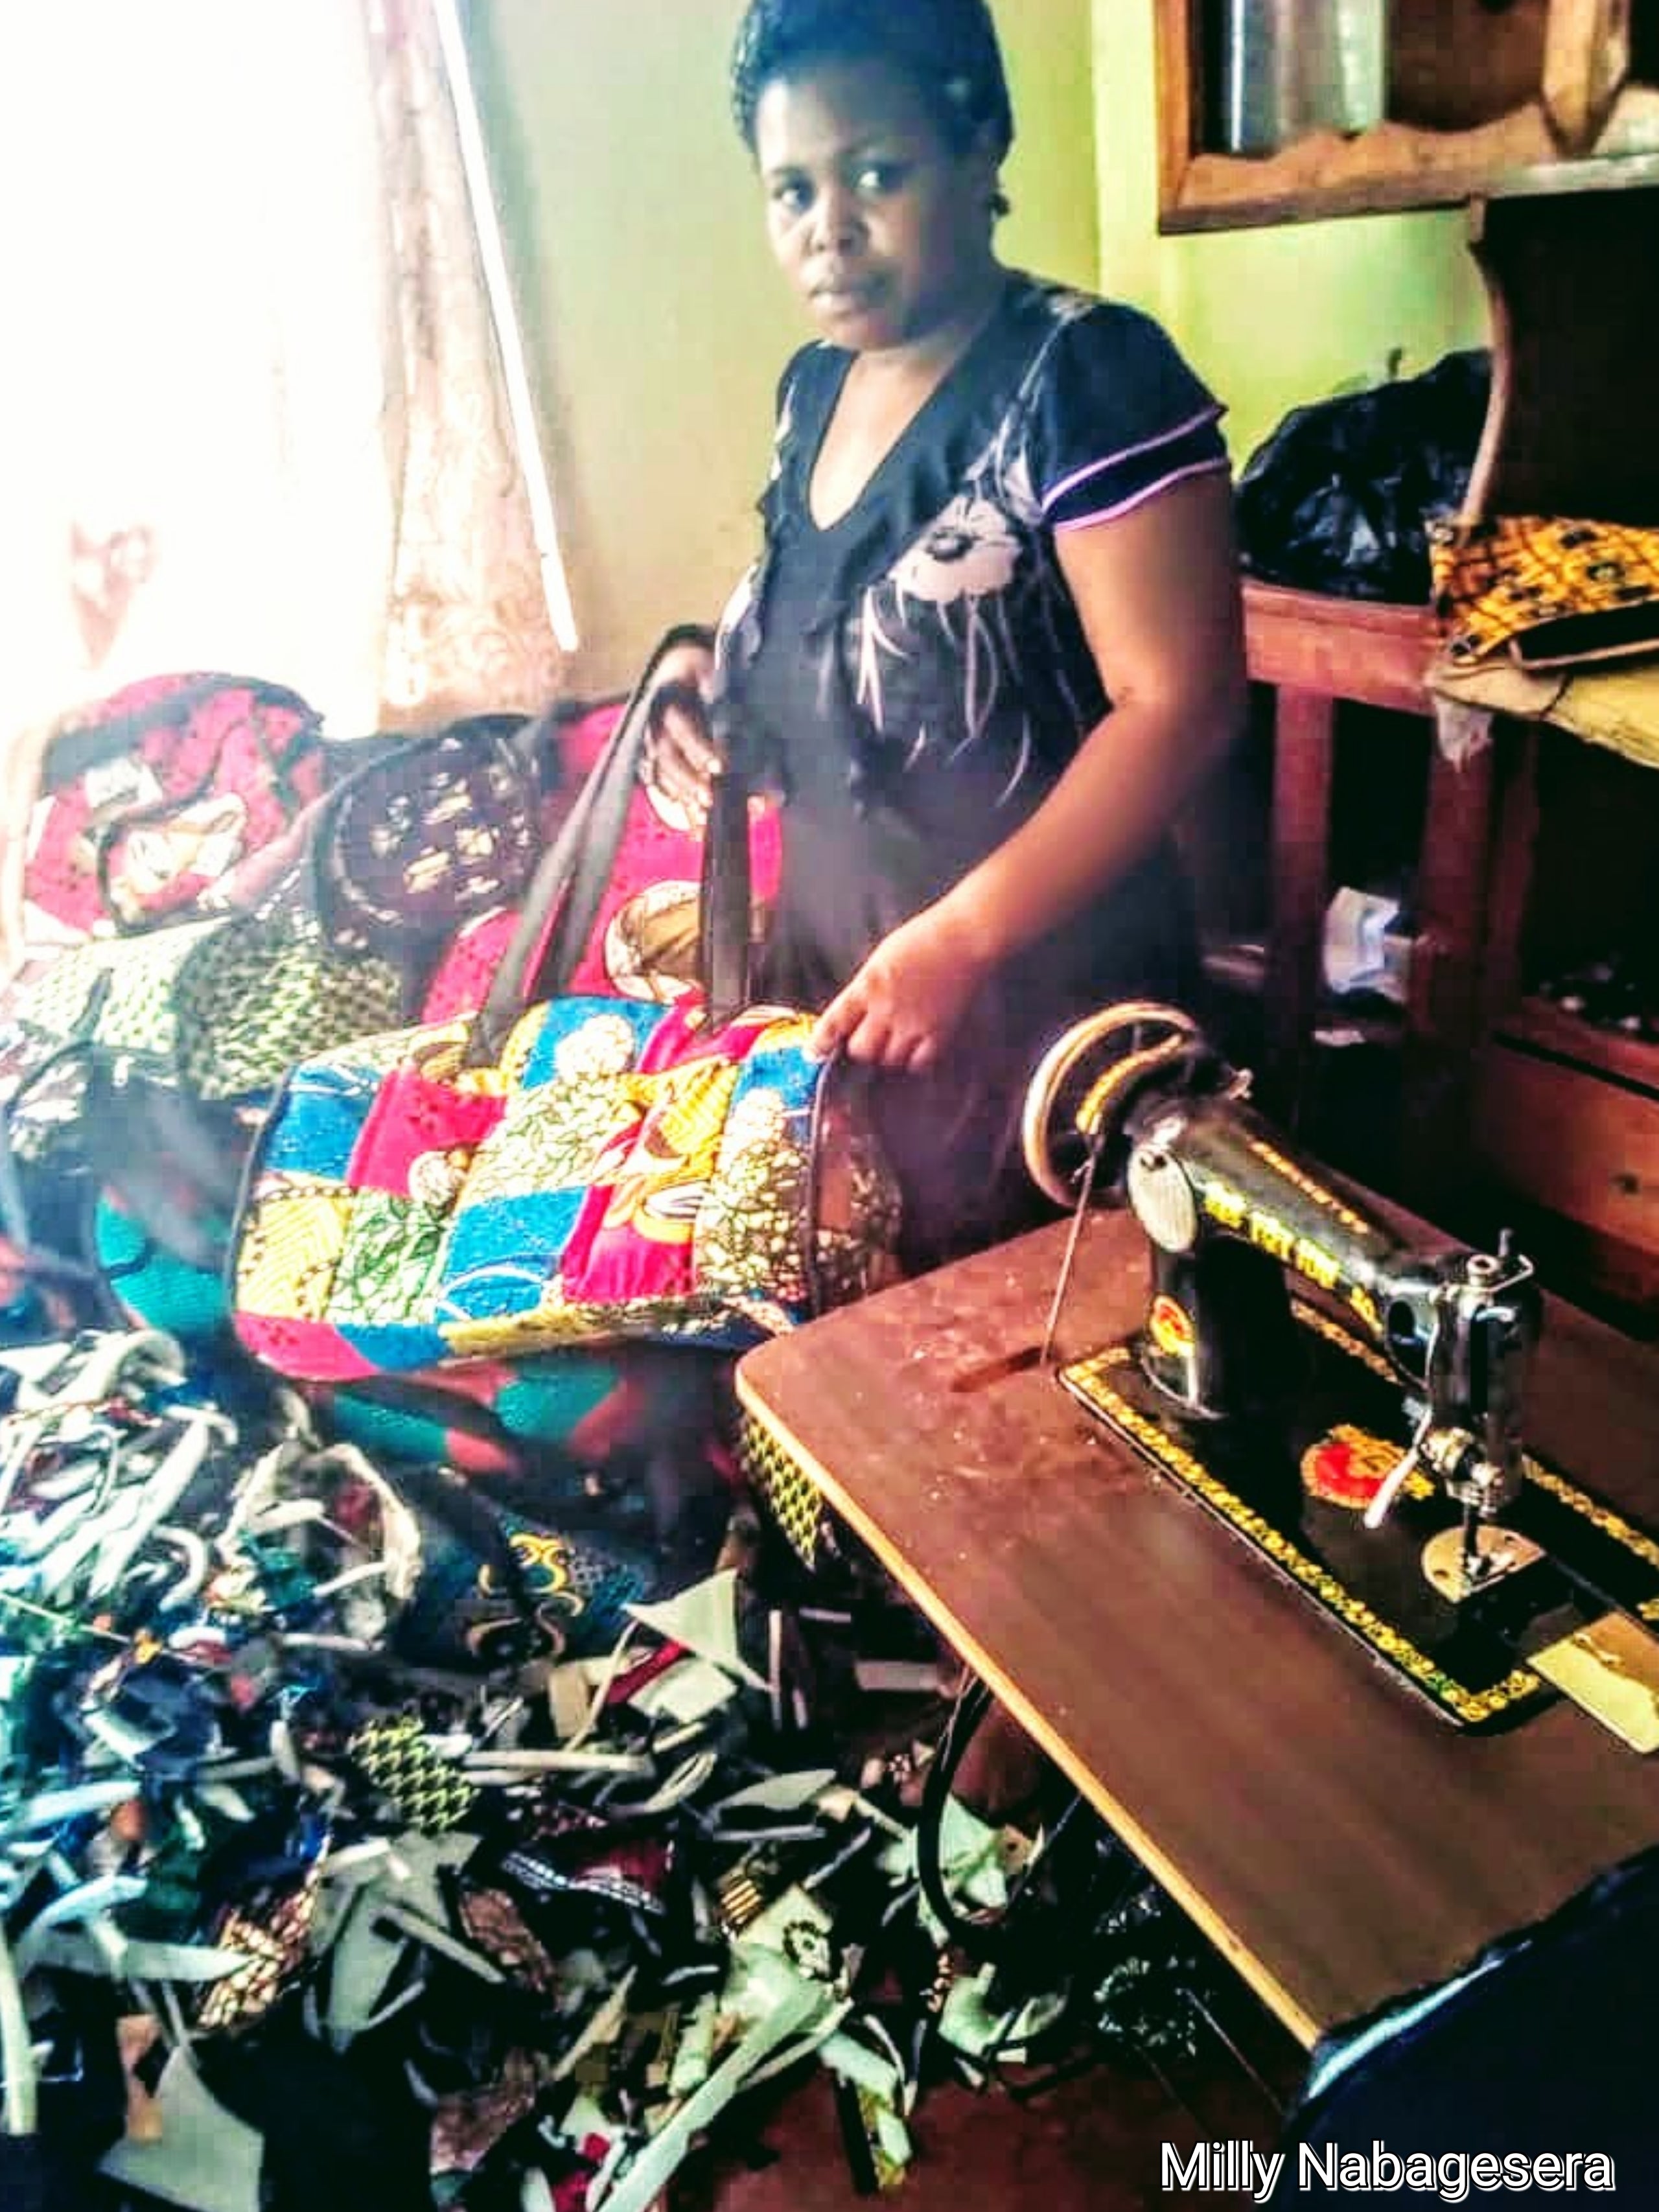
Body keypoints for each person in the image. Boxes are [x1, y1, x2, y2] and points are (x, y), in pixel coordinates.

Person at [645, 0, 1247, 1277]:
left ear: (980, 153)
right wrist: (699, 677)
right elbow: (819, 617)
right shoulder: (813, 389)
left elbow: (1180, 704)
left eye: (875, 174)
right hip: (845, 995)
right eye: (792, 191)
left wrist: (963, 939)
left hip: (1042, 1024)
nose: (829, 229)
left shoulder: (1087, 376)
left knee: (1017, 1361)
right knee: (843, 1359)